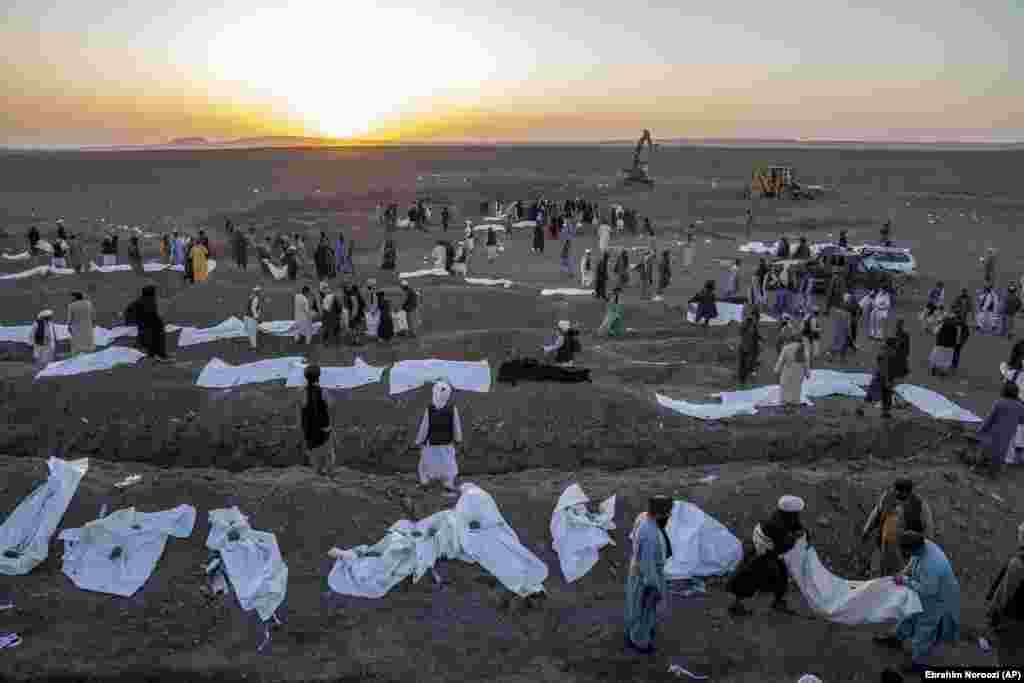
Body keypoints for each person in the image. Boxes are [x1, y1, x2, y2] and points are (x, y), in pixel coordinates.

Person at [874, 532, 960, 673]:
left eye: (905, 551)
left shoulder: (933, 565)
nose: (903, 553)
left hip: (938, 598)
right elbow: (913, 561)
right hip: (928, 589)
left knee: (924, 629)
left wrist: (905, 581)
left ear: (913, 549)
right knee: (909, 613)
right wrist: (903, 573)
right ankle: (897, 638)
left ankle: (919, 663)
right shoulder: (922, 546)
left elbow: (928, 590)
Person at [727, 495, 806, 616]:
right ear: (791, 513)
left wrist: (801, 531)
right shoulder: (777, 525)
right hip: (762, 553)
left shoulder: (783, 516)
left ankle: (778, 602)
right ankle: (736, 606)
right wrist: (795, 538)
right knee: (749, 578)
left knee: (781, 576)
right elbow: (782, 547)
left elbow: (795, 525)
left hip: (767, 550)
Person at [624, 495, 673, 653]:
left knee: (638, 605)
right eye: (667, 513)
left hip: (638, 571)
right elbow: (647, 566)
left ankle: (639, 632)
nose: (669, 516)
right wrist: (654, 586)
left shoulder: (643, 517)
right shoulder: (650, 534)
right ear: (659, 514)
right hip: (646, 578)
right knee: (645, 608)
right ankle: (640, 641)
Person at [861, 478, 935, 577]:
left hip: (905, 553)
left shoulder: (919, 505)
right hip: (883, 546)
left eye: (900, 491)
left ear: (907, 492)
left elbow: (928, 529)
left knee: (901, 580)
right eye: (896, 490)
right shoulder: (887, 498)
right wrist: (867, 530)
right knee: (878, 577)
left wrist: (926, 550)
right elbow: (877, 514)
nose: (896, 493)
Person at [413, 381, 463, 494]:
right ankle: (448, 483)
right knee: (448, 464)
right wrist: (458, 439)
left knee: (425, 463)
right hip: (447, 443)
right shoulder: (452, 408)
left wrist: (419, 441)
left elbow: (424, 427)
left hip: (431, 443)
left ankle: (425, 482)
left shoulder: (430, 409)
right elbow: (456, 425)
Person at [986, 521, 1024, 666]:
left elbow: (1002, 597)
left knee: (1007, 663)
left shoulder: (1018, 563)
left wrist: (991, 617)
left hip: (1012, 623)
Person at [976, 382, 1024, 477]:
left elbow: (990, 418)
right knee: (1001, 452)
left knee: (985, 449)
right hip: (1008, 433)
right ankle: (993, 472)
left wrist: (981, 429)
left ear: (1004, 391)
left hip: (993, 431)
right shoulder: (1020, 406)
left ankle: (978, 466)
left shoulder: (999, 403)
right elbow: (1022, 421)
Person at [299, 364, 336, 476]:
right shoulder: (323, 391)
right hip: (323, 427)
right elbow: (330, 405)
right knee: (328, 453)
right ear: (319, 376)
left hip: (309, 428)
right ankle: (329, 474)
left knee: (314, 452)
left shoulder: (302, 392)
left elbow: (303, 407)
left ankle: (317, 474)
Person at [129, 285, 170, 361]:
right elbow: (151, 315)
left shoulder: (143, 301)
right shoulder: (148, 301)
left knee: (152, 337)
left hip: (146, 324)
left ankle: (155, 354)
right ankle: (158, 355)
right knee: (155, 337)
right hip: (148, 325)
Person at [776, 331, 811, 410]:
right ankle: (795, 401)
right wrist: (807, 373)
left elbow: (781, 360)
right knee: (796, 387)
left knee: (785, 386)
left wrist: (777, 369)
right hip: (799, 371)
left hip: (787, 369)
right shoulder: (804, 349)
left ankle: (785, 402)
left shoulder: (786, 347)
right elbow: (806, 363)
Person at [738, 308, 763, 384]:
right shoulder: (748, 323)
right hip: (746, 346)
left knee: (749, 361)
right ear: (754, 316)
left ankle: (748, 373)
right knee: (744, 362)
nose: (757, 321)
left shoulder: (753, 324)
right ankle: (743, 378)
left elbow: (755, 333)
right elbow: (742, 331)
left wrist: (760, 338)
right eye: (757, 318)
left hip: (751, 346)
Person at [67, 292, 95, 356]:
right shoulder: (89, 304)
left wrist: (68, 326)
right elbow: (92, 315)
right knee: (88, 347)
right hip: (88, 328)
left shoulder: (71, 305)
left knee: (77, 348)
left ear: (75, 297)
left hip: (77, 329)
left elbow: (70, 319)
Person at [827, 295, 853, 361]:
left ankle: (839, 358)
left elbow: (834, 319)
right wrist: (849, 333)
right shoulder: (847, 314)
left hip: (837, 330)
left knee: (838, 344)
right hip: (843, 331)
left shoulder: (837, 312)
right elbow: (848, 324)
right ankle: (834, 355)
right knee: (841, 345)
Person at [320, 283, 343, 347]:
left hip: (330, 315)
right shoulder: (330, 296)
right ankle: (334, 342)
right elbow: (338, 306)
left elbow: (327, 308)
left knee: (329, 329)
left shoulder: (328, 297)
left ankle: (327, 342)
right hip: (332, 315)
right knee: (333, 329)